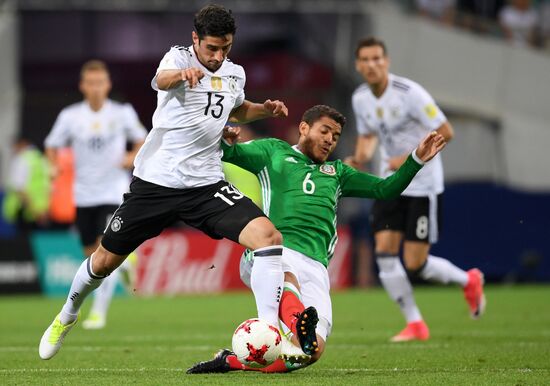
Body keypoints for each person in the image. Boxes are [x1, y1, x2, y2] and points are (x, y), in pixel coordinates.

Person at [38, 4, 300, 360]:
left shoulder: (234, 72)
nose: (218, 56)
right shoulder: (176, 59)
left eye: (225, 48)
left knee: (268, 237)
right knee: (101, 262)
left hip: (206, 185)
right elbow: (160, 80)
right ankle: (67, 315)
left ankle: (270, 333)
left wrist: (264, 109)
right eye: (211, 48)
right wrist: (182, 76)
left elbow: (236, 108)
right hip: (156, 185)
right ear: (195, 39)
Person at [186, 104, 446, 374]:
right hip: (272, 251)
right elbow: (229, 152)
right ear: (304, 128)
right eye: (324, 131)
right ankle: (298, 319)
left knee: (309, 352)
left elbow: (385, 189)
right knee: (289, 281)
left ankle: (229, 361)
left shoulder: (338, 173)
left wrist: (416, 159)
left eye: (335, 136)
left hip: (316, 266)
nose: (329, 140)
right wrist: (225, 140)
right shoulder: (273, 152)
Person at [346, 37, 485, 342]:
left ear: (387, 61)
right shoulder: (360, 98)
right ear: (358, 65)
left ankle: (469, 280)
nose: (372, 65)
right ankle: (415, 323)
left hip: (422, 184)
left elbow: (446, 132)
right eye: (365, 60)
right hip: (390, 185)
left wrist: (407, 158)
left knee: (415, 263)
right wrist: (360, 158)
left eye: (377, 58)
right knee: (383, 253)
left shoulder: (409, 94)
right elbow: (368, 135)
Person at [44, 60, 147, 330]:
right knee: (92, 258)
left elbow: (143, 139)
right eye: (91, 83)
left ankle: (98, 313)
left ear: (108, 84)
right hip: (83, 195)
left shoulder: (122, 113)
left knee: (105, 250)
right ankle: (123, 267)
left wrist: (131, 156)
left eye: (100, 82)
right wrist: (53, 166)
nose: (96, 88)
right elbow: (51, 145)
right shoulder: (70, 116)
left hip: (113, 192)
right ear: (82, 86)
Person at [2, 136, 50, 231]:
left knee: (23, 243)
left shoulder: (22, 159)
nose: (13, 149)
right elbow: (47, 187)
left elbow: (19, 188)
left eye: (15, 146)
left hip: (24, 210)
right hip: (41, 211)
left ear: (22, 144)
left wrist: (34, 211)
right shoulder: (41, 159)